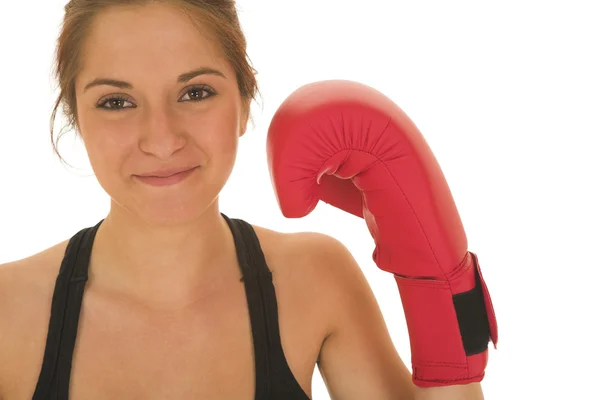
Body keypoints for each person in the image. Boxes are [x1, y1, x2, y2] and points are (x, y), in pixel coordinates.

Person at [0, 1, 486, 399]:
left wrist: (442, 283)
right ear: (76, 117)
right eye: (116, 102)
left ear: (244, 102)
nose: (162, 139)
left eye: (195, 92)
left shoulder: (315, 279)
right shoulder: (9, 309)